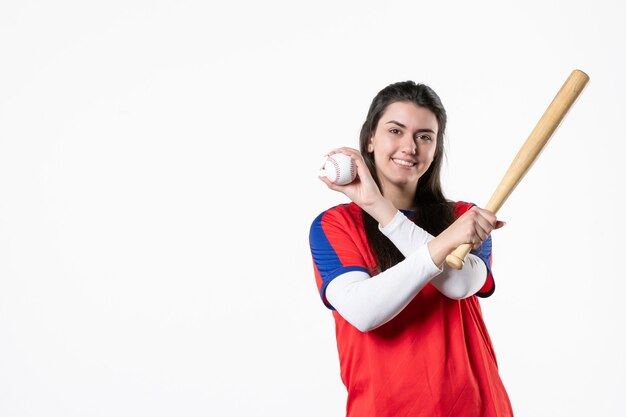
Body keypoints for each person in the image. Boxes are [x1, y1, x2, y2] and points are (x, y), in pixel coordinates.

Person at [308, 81, 514, 417]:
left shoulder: (464, 216)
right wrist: (382, 209)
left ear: (436, 148)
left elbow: (458, 285)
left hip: (475, 408)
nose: (410, 146)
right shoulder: (335, 225)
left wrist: (384, 211)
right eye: (395, 130)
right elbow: (364, 313)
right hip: (383, 409)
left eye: (425, 136)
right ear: (370, 139)